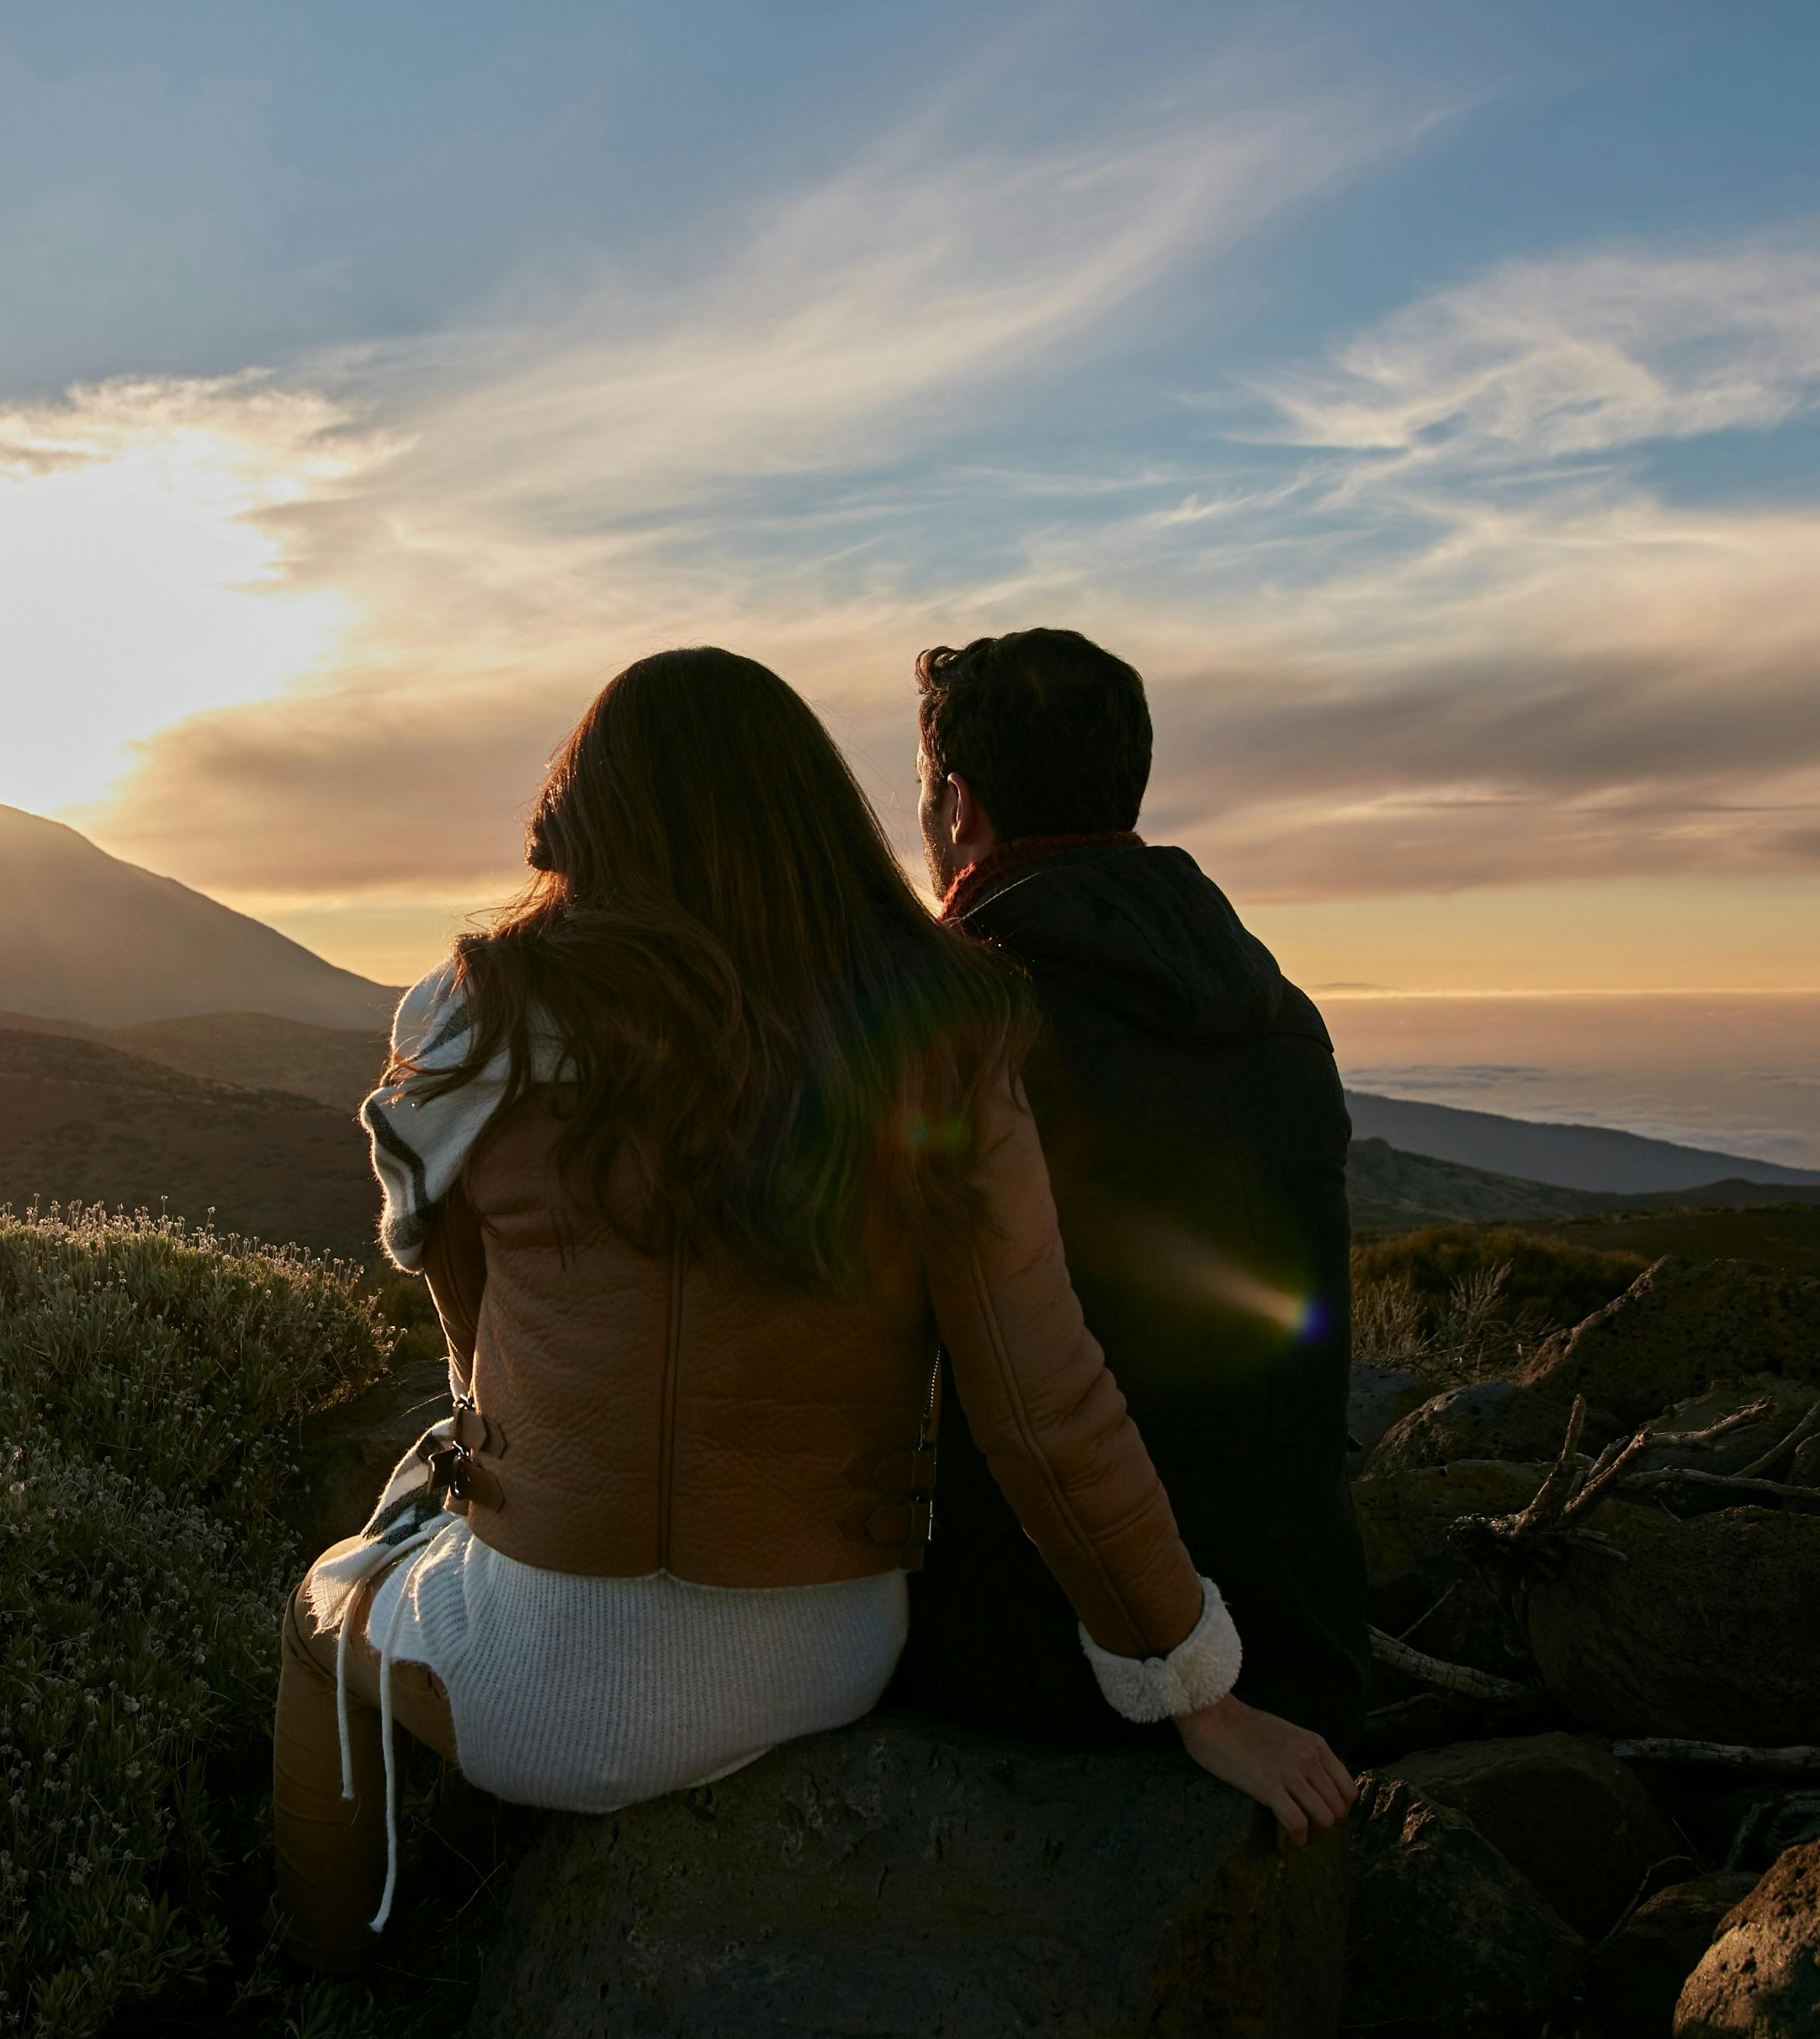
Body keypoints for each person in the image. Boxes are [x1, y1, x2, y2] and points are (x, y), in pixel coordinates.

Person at [275, 646, 1354, 1971]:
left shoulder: (471, 1018)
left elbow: (468, 1336)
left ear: (586, 810)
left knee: (322, 1612)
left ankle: (332, 1983)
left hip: (533, 1682)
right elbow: (1042, 1400)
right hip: (824, 1656)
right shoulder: (941, 1026)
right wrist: (1195, 1690)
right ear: (819, 812)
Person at [890, 627, 1371, 1754]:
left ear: (957, 808)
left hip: (1052, 1665)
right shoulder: (1273, 1010)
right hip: (1300, 1642)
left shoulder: (961, 1027)